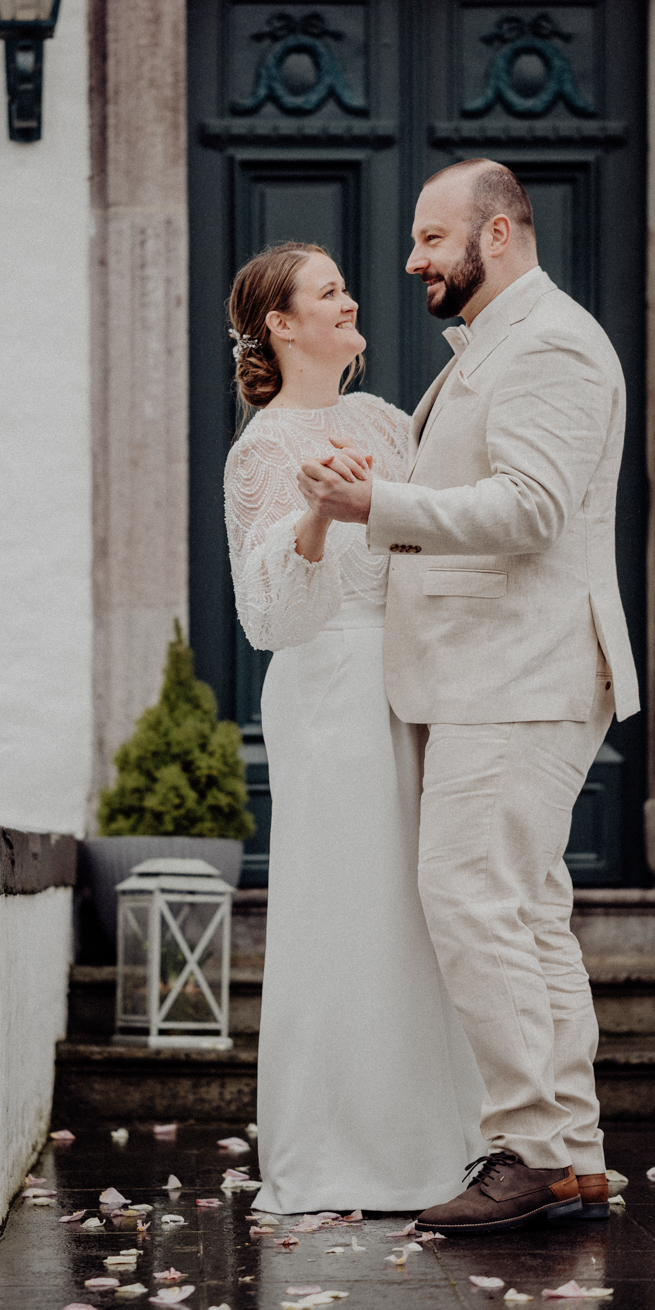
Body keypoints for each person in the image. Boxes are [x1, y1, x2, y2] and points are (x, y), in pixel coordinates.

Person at [296, 160, 639, 1235]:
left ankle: (529, 1149)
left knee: (469, 896)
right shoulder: (502, 342)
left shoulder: (551, 344)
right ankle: (570, 1156)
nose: (412, 260)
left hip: (517, 672)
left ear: (497, 234)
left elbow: (532, 508)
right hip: (498, 671)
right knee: (526, 910)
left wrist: (377, 504)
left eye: (432, 238)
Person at [223, 240, 486, 1215]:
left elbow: (443, 533)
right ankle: (343, 1151)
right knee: (348, 908)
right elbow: (269, 619)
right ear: (281, 324)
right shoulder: (260, 452)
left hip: (415, 679)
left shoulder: (381, 418)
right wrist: (317, 516)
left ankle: (446, 1141)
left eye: (343, 287)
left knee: (423, 908)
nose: (349, 301)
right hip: (329, 689)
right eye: (327, 291)